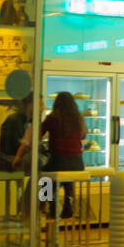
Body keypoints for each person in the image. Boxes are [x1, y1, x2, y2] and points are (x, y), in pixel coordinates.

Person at [39, 91, 87, 221]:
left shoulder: (53, 117)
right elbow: (83, 136)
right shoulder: (79, 118)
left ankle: (51, 207)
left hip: (59, 160)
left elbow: (39, 133)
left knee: (45, 178)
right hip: (77, 163)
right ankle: (68, 208)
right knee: (68, 181)